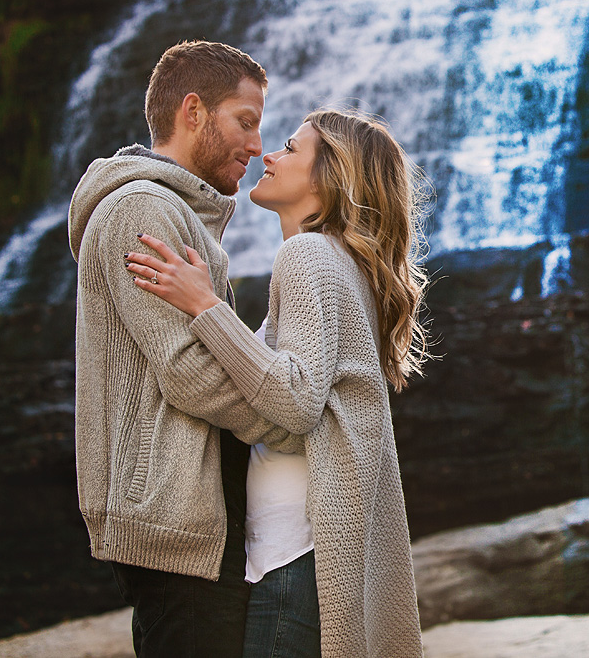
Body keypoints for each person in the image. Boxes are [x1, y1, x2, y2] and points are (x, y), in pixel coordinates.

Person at [123, 109, 429, 658]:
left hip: (296, 557)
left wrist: (204, 306)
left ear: (331, 176)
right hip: (310, 552)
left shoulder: (307, 254)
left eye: (291, 148)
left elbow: (294, 401)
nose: (268, 155)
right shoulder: (342, 263)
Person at [68, 40, 301, 658]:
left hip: (193, 505)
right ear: (192, 111)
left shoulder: (174, 210)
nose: (257, 146)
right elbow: (189, 372)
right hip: (173, 509)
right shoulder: (140, 208)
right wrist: (292, 421)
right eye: (245, 122)